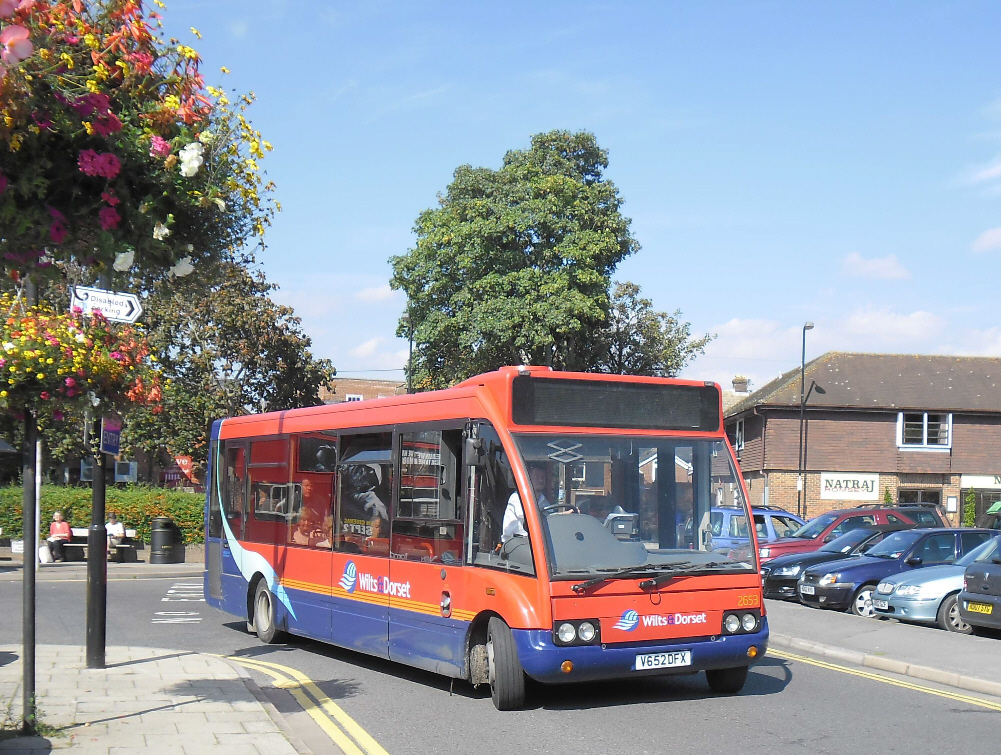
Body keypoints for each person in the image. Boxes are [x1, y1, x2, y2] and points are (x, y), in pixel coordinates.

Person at [502, 464, 549, 544]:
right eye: (536, 477)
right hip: (515, 543)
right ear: (528, 479)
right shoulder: (517, 497)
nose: (540, 480)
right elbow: (527, 516)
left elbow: (550, 516)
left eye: (542, 477)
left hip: (536, 542)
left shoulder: (543, 500)